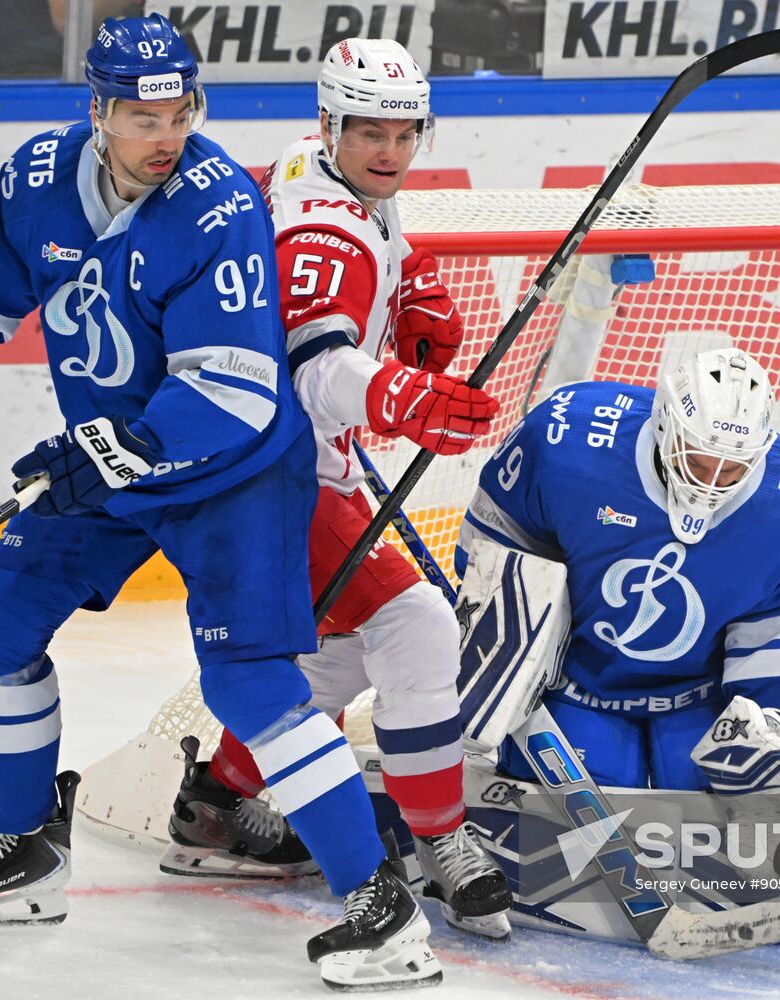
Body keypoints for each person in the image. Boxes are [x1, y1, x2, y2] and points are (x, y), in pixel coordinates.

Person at [0, 14, 440, 989]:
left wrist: (115, 446)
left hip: (230, 474)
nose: (165, 134)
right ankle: (28, 848)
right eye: (142, 115)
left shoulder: (216, 210)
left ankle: (380, 904)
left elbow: (236, 387)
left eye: (180, 112)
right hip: (111, 466)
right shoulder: (39, 180)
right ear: (97, 111)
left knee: (248, 686)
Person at [159, 36, 511, 941]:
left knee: (342, 652)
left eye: (404, 132)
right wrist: (396, 387)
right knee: (417, 625)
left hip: (273, 462)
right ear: (331, 124)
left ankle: (221, 801)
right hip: (275, 473)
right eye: (368, 132)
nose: (389, 151)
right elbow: (315, 363)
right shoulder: (328, 225)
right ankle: (443, 839)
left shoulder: (316, 174)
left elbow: (344, 271)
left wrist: (412, 284)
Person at [456, 346, 780, 800]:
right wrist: (505, 657)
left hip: (707, 697)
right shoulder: (565, 437)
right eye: (698, 459)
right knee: (574, 822)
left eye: (732, 469)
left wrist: (775, 724)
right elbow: (495, 550)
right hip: (575, 683)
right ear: (664, 423)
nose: (711, 479)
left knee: (742, 811)